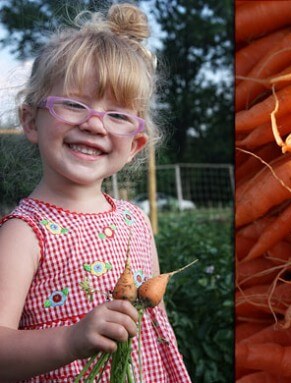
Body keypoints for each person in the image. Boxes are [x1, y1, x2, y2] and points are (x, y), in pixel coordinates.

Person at [0, 3, 191, 382]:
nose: (94, 124)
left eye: (117, 115)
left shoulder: (135, 220)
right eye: (73, 104)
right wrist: (70, 340)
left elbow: (155, 323)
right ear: (30, 121)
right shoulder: (24, 233)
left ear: (135, 144)